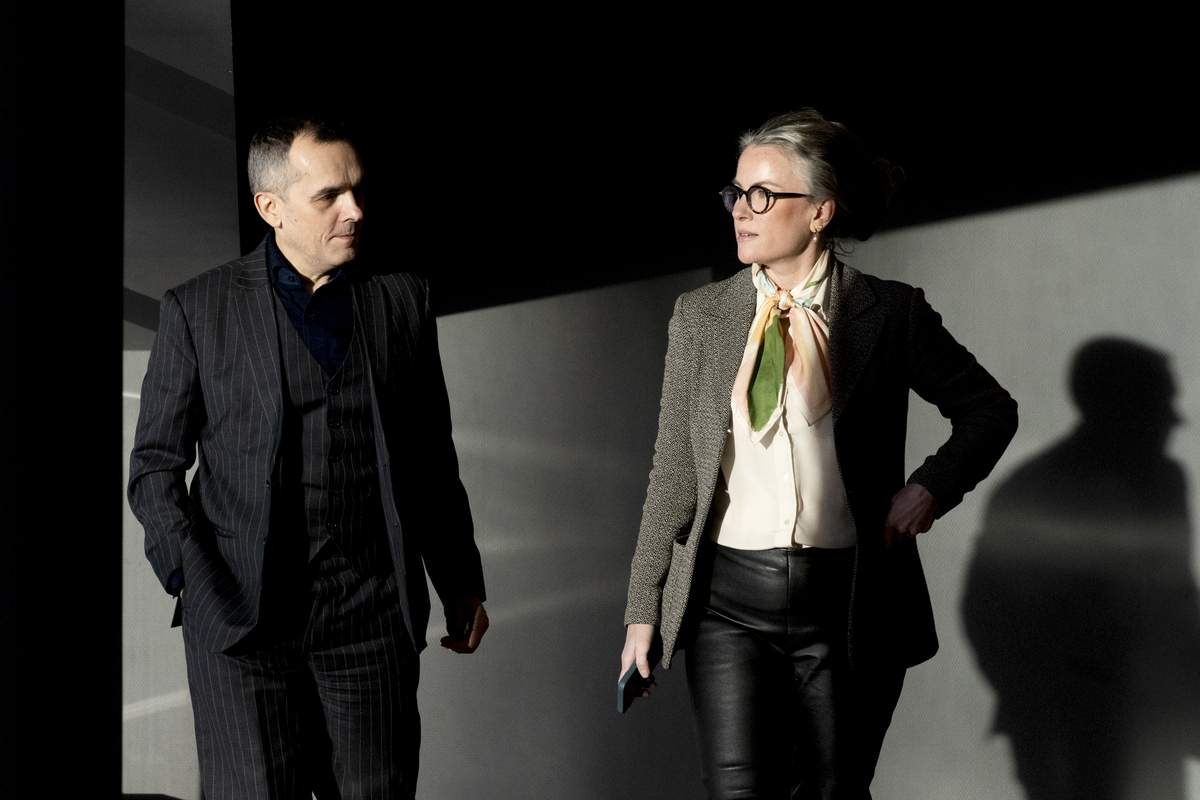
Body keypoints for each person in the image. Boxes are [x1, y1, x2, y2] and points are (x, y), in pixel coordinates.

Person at [620, 108, 1018, 799]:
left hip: (849, 605)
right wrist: (641, 609)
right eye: (736, 192)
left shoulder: (888, 313)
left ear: (820, 212)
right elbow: (673, 475)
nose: (740, 210)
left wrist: (929, 487)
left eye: (762, 195)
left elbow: (988, 410)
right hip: (724, 608)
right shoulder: (700, 316)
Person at [129, 117, 487, 799]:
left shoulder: (400, 298)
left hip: (370, 619)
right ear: (272, 208)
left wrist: (459, 579)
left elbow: (429, 456)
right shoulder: (198, 310)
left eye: (357, 190)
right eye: (329, 196)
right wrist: (191, 582)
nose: (355, 210)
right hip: (241, 624)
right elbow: (154, 467)